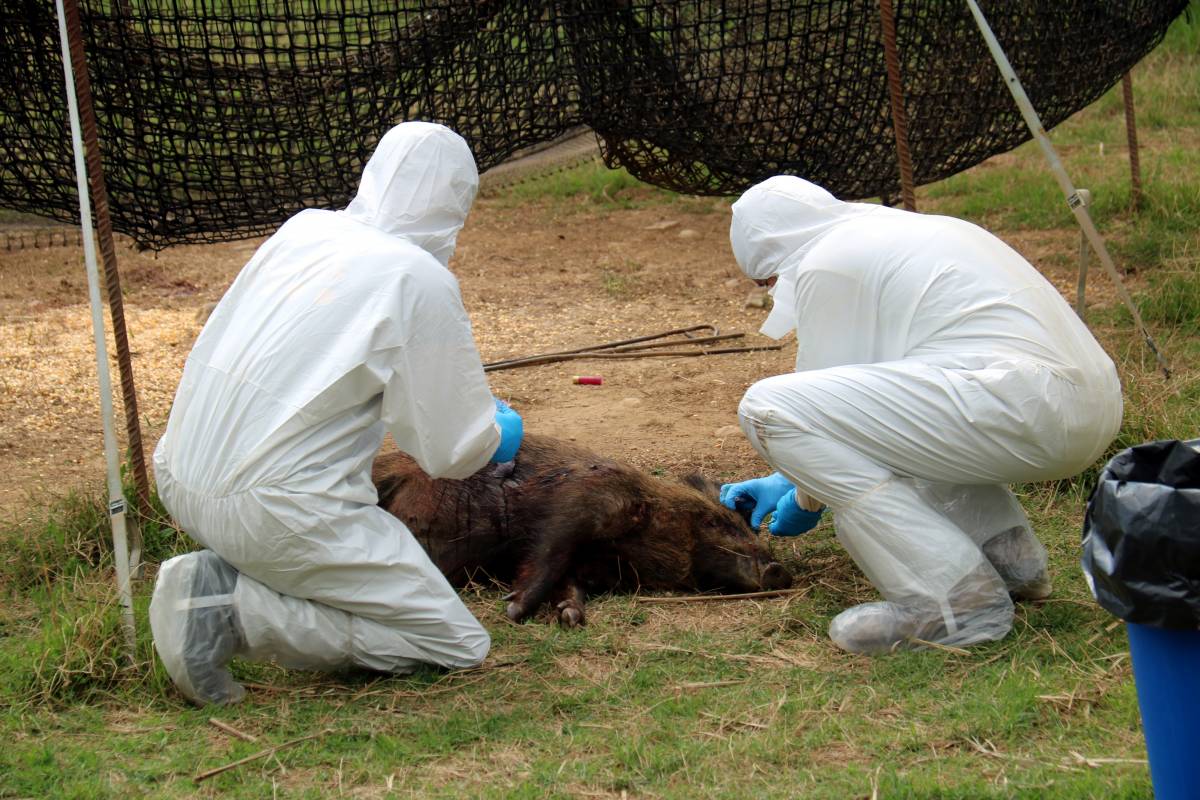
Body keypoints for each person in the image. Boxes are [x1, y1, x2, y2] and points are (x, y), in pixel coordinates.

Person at [148, 122, 525, 705]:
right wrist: (494, 432)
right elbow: (450, 452)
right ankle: (228, 609)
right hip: (280, 507)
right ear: (457, 204)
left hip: (178, 471)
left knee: (316, 561)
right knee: (453, 642)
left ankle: (229, 582)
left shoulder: (305, 230)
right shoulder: (418, 278)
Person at [720, 176, 1122, 655]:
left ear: (775, 257)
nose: (771, 292)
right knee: (906, 415)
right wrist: (785, 480)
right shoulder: (898, 233)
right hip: (1084, 402)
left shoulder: (830, 263)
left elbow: (815, 408)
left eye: (767, 280)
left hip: (1025, 406)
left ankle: (955, 604)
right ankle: (1011, 564)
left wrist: (805, 497)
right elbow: (875, 403)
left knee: (765, 407)